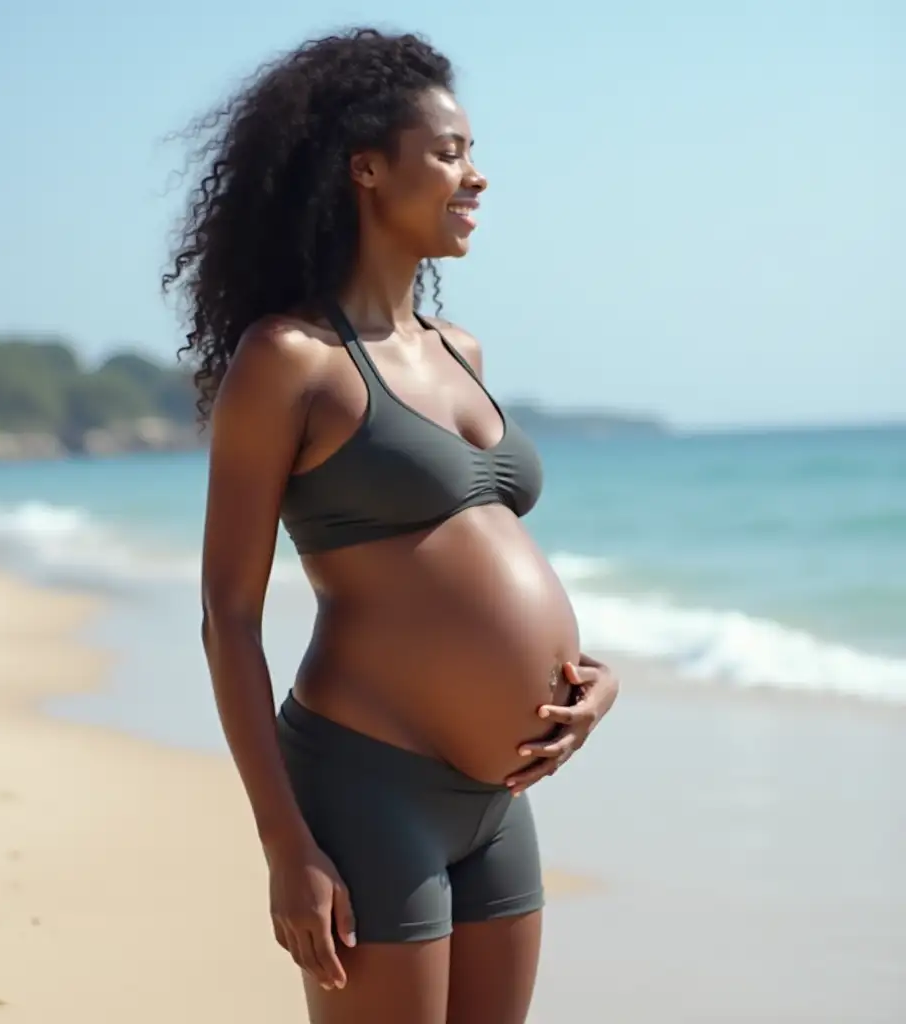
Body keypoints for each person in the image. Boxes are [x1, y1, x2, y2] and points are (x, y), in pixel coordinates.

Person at [163, 27, 620, 1024]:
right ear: (365, 167)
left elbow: (478, 554)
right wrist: (285, 843)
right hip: (366, 784)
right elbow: (227, 614)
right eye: (449, 151)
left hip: (495, 802)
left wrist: (594, 680)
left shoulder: (460, 349)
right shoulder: (290, 360)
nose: (477, 176)